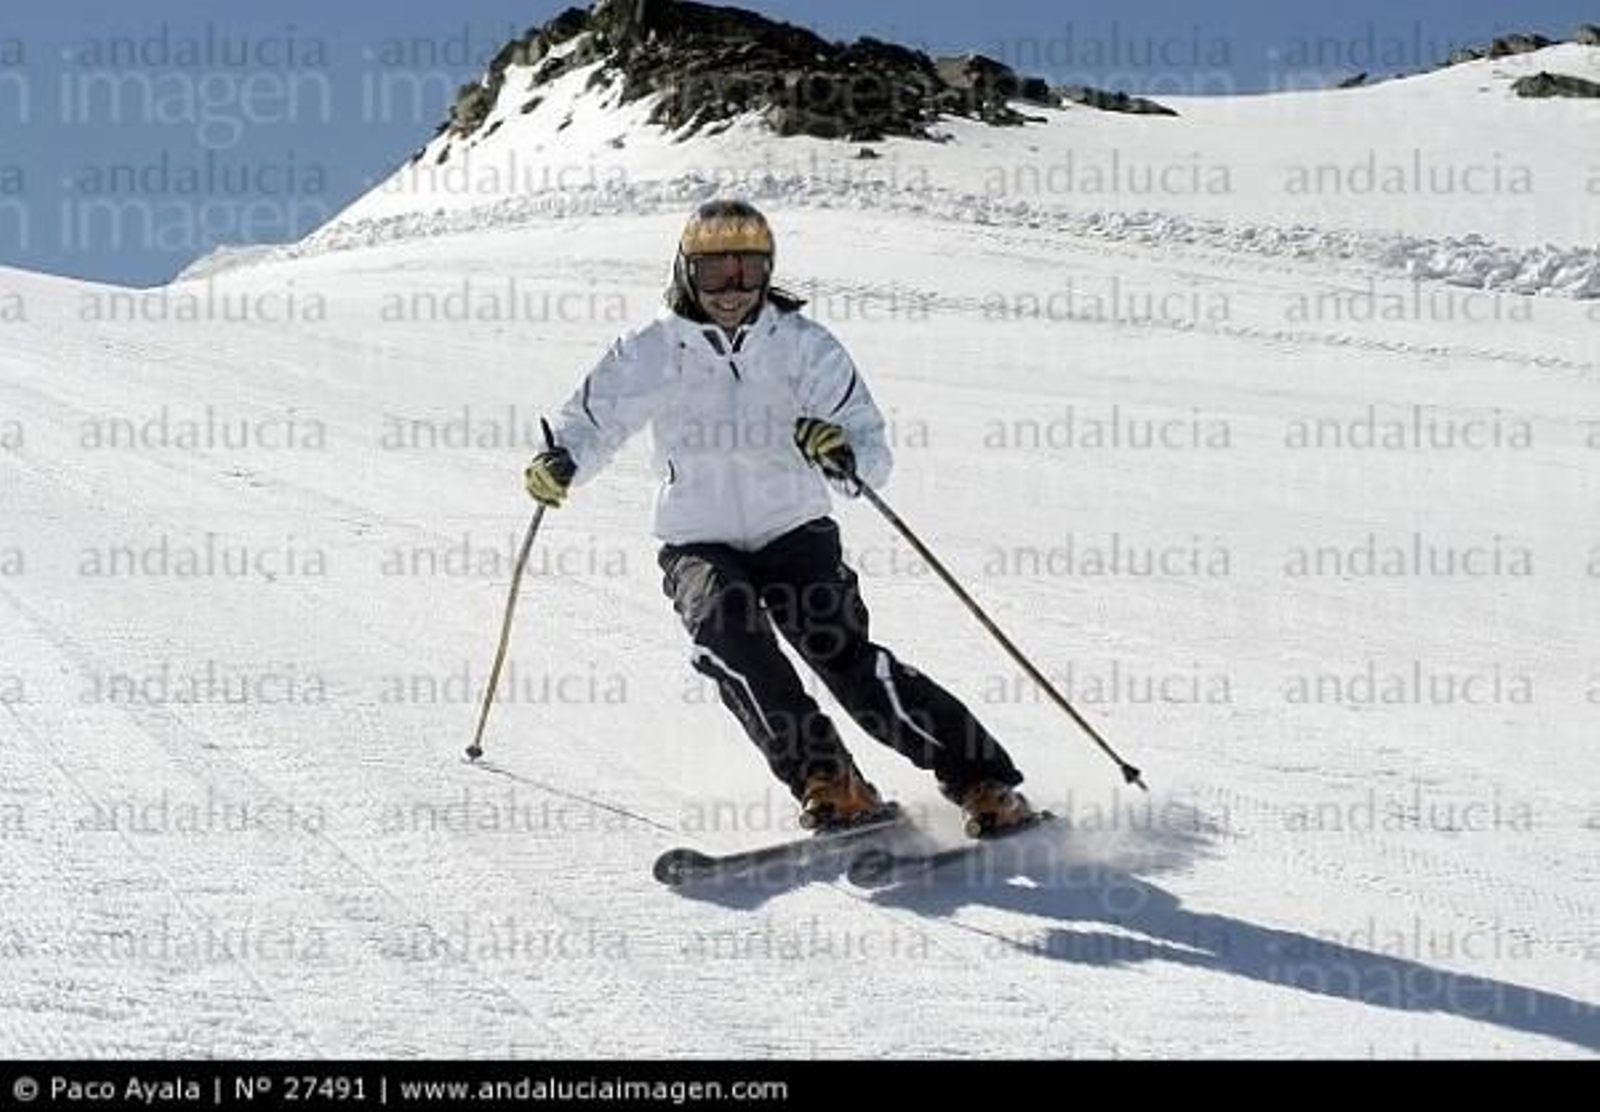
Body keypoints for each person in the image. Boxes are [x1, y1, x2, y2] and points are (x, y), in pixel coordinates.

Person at [524, 199, 1035, 835]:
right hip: (697, 537)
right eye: (715, 273)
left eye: (748, 272)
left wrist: (842, 453)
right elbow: (591, 422)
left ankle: (981, 779)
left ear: (768, 272)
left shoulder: (803, 346)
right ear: (685, 272)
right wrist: (562, 461)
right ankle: (830, 779)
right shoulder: (650, 350)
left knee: (843, 659)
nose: (732, 290)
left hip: (795, 529)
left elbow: (870, 447)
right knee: (726, 635)